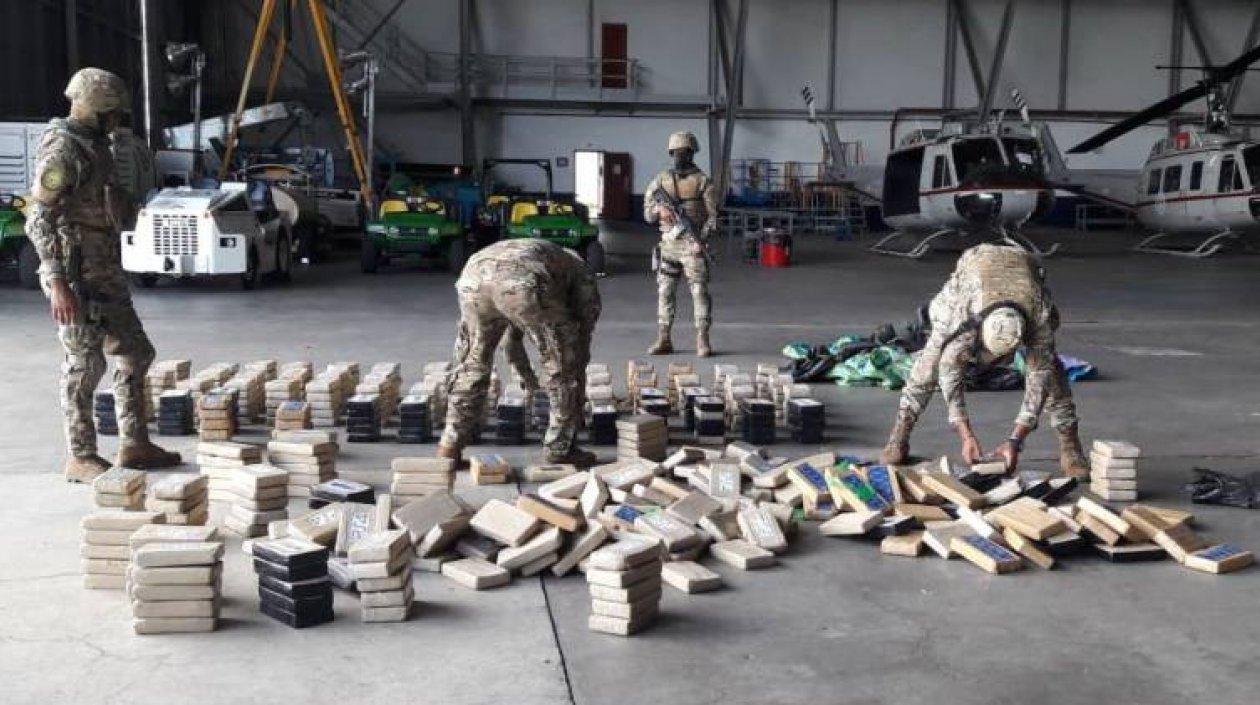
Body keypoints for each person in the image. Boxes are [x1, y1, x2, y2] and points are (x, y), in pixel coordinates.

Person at [25, 68, 180, 482]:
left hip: (104, 270)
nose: (117, 120)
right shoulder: (63, 150)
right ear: (96, 108)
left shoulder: (97, 145)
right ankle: (81, 456)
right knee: (85, 364)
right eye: (112, 113)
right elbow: (38, 217)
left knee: (136, 352)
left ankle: (135, 444)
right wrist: (57, 281)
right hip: (75, 275)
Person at [879, 244, 1088, 476]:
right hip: (971, 278)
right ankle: (899, 434)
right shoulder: (962, 320)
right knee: (929, 365)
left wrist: (1015, 441)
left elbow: (1039, 380)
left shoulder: (1039, 317)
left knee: (1052, 374)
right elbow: (950, 376)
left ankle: (1070, 445)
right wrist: (966, 435)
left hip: (1022, 272)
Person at [438, 239, 601, 466]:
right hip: (521, 284)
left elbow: (510, 343)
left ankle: (450, 444)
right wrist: (574, 400)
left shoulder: (546, 258)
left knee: (473, 363)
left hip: (473, 278)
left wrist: (530, 382)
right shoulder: (580, 274)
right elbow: (579, 347)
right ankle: (560, 448)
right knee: (563, 367)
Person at [643, 131, 719, 357]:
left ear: (692, 153)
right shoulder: (661, 180)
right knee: (665, 291)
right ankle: (664, 338)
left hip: (692, 246)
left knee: (699, 291)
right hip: (668, 246)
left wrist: (701, 240)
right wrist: (659, 210)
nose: (680, 156)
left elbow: (713, 217)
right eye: (676, 152)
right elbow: (647, 214)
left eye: (684, 152)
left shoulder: (703, 182)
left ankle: (702, 338)